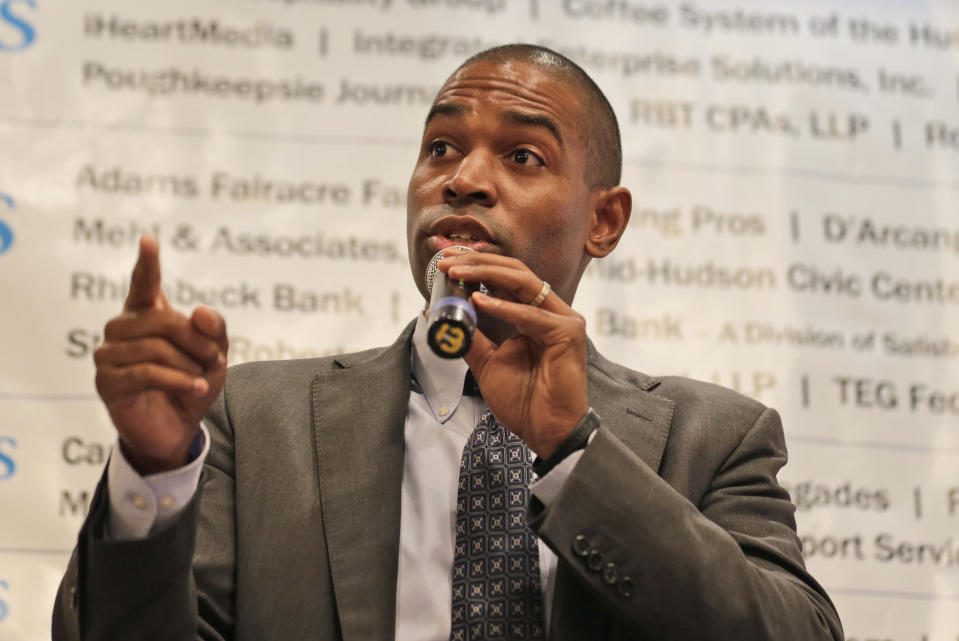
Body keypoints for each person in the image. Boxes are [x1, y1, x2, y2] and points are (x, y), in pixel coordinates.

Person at [53, 44, 843, 641]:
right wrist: (153, 473)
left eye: (522, 156)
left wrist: (571, 451)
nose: (462, 178)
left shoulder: (712, 438)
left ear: (604, 220)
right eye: (439, 148)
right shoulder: (252, 421)